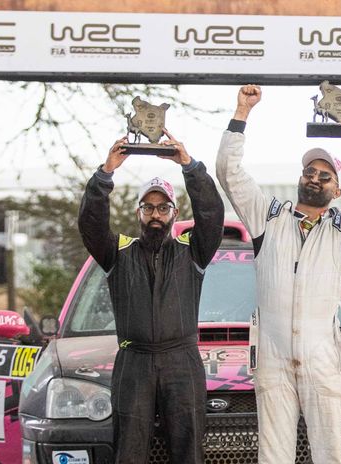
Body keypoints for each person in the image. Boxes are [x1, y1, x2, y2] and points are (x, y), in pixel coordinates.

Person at [216, 84, 341, 463]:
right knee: (274, 456)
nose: (314, 178)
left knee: (329, 454)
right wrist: (242, 113)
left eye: (325, 176)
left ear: (337, 190)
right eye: (309, 171)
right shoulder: (268, 217)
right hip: (274, 357)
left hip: (321, 359)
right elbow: (229, 174)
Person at [78, 130, 224, 463]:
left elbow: (211, 215)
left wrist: (189, 166)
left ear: (174, 212)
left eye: (162, 207)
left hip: (181, 361)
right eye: (148, 207)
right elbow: (91, 224)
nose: (155, 214)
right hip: (134, 361)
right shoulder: (117, 252)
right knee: (128, 452)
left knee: (188, 453)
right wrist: (105, 174)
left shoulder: (193, 251)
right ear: (138, 212)